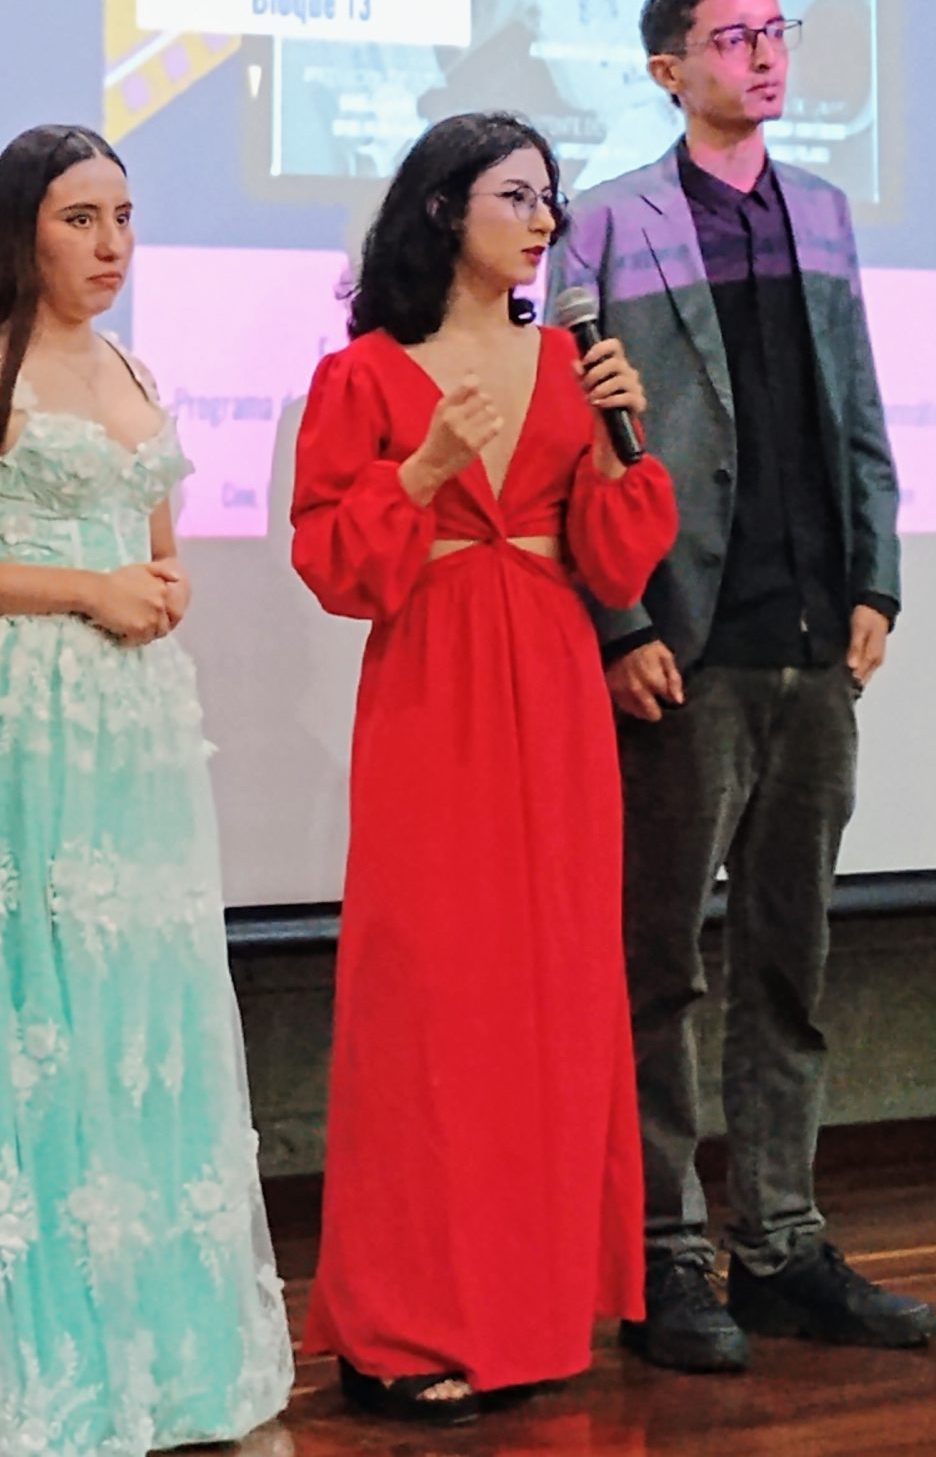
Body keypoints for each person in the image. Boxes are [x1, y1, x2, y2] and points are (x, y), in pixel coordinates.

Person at [0, 126, 295, 1455]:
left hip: (130, 728)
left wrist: (159, 590)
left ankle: (159, 1353)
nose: (109, 243)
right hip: (15, 714)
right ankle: (40, 1358)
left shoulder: (128, 366)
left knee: (133, 1015)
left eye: (123, 215)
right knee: (27, 1008)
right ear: (20, 229)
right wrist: (87, 593)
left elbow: (152, 545)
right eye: (79, 217)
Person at [550, 0, 936, 1373]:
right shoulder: (602, 223)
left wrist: (876, 579)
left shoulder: (825, 213)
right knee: (660, 966)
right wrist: (622, 623)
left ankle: (780, 1244)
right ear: (668, 68)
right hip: (684, 648)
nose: (766, 56)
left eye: (776, 34)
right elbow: (575, 447)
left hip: (814, 639)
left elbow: (863, 411)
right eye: (734, 38)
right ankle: (665, 1261)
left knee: (792, 962)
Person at [289, 111, 677, 1424]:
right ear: (445, 208)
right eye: (519, 194)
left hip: (558, 694)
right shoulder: (367, 376)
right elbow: (338, 566)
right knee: (432, 1007)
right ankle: (401, 1327)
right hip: (435, 692)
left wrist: (627, 441)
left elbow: (619, 563)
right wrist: (432, 469)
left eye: (551, 197)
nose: (545, 218)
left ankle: (524, 1311)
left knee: (550, 999)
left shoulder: (572, 363)